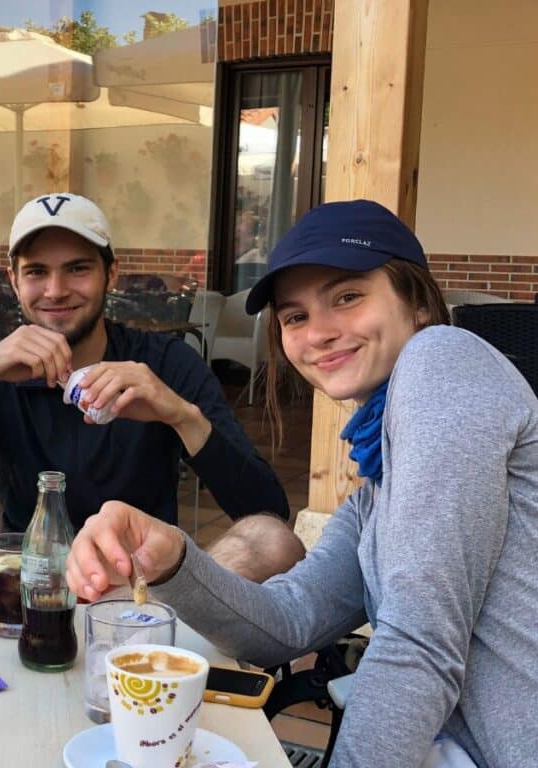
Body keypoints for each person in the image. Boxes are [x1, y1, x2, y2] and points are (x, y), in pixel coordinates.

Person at [67, 199, 538, 768]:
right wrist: (170, 559)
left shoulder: (444, 360)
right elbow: (287, 623)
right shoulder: (376, 497)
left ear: (417, 303)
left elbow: (419, 645)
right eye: (295, 317)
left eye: (347, 297)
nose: (319, 333)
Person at [0, 193, 295, 576]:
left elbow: (266, 512)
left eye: (78, 268)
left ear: (111, 274)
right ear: (15, 281)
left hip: (142, 588)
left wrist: (180, 415)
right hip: (36, 585)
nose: (56, 290)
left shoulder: (166, 363)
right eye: (36, 272)